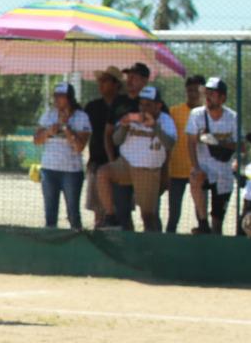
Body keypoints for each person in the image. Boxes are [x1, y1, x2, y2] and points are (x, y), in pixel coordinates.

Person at [100, 85, 177, 232]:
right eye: (141, 104)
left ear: (158, 105)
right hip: (126, 163)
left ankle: (152, 246)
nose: (143, 108)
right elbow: (116, 140)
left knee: (148, 215)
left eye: (148, 104)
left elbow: (170, 143)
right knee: (103, 173)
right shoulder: (132, 116)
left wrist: (154, 126)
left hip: (147, 170)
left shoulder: (165, 120)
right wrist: (124, 126)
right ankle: (110, 217)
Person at [33, 83, 91, 229]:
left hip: (71, 172)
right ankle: (51, 247)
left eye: (61, 96)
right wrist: (48, 133)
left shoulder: (81, 117)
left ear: (70, 98)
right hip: (49, 170)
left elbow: (79, 147)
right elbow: (36, 140)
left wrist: (66, 128)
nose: (57, 99)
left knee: (73, 214)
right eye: (55, 96)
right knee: (50, 214)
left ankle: (77, 243)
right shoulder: (48, 115)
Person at [186, 77, 239, 234]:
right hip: (204, 168)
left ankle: (215, 241)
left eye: (212, 94)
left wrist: (217, 142)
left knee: (218, 222)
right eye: (206, 93)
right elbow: (190, 142)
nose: (207, 97)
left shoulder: (232, 117)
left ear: (223, 98)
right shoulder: (197, 114)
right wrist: (196, 167)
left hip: (223, 172)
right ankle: (202, 223)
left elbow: (240, 145)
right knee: (195, 177)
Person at [83, 67, 132, 227]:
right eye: (100, 81)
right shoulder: (92, 107)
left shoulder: (126, 105)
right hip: (97, 163)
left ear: (116, 84)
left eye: (105, 80)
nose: (100, 84)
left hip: (122, 165)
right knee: (99, 213)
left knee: (123, 212)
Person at [166, 75, 204, 233]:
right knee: (174, 212)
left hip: (199, 170)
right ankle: (169, 237)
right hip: (176, 169)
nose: (192, 93)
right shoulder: (174, 111)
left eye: (196, 90)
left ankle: (205, 235)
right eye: (189, 90)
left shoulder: (205, 114)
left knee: (200, 210)